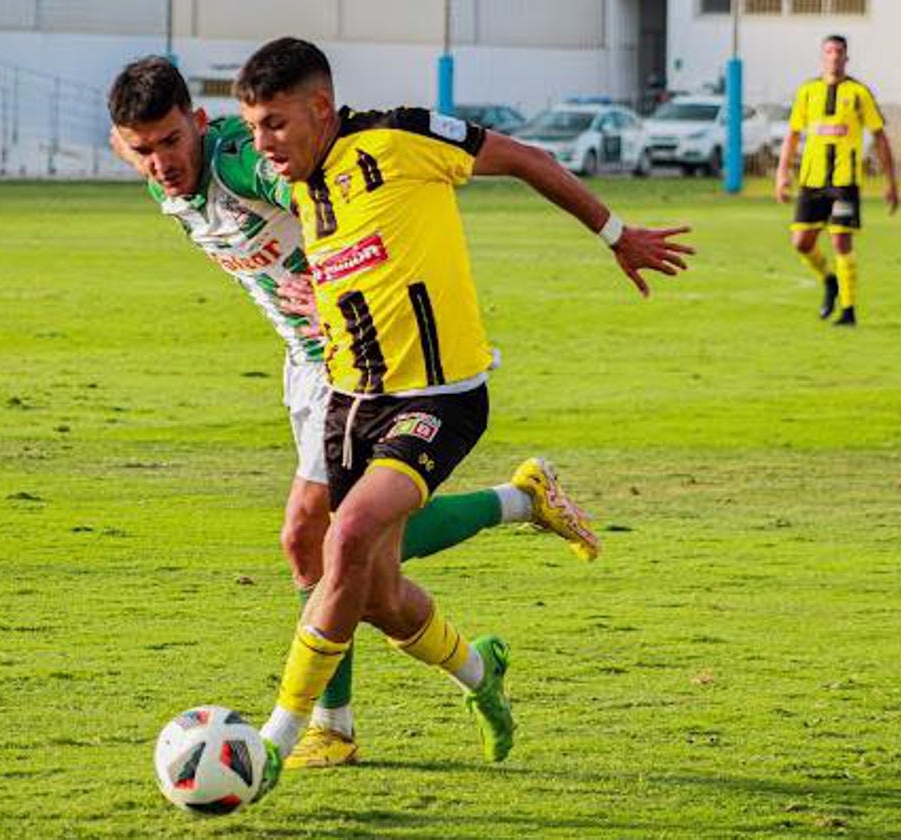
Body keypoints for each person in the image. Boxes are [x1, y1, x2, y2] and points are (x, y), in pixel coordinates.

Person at [105, 57, 600, 771]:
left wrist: (332, 270)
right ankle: (495, 602)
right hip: (305, 367)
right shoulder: (164, 181)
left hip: (350, 364)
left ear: (200, 124)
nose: (160, 162)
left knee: (315, 537)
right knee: (375, 585)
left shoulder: (239, 163)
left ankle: (327, 727)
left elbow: (306, 182)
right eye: (143, 149)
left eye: (171, 141)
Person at [233, 37, 693, 801]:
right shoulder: (304, 192)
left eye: (275, 124)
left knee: (339, 539)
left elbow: (527, 159)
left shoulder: (399, 139)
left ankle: (278, 738)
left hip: (441, 398)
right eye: (253, 128)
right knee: (375, 595)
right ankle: (483, 666)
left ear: (320, 108)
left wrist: (617, 236)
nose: (263, 145)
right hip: (351, 402)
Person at [775, 35, 899, 327]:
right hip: (811, 181)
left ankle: (849, 309)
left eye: (839, 51)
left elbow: (880, 136)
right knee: (801, 242)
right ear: (822, 57)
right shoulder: (807, 91)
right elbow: (793, 135)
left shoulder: (859, 93)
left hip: (844, 183)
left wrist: (891, 182)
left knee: (840, 240)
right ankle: (829, 281)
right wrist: (782, 174)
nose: (834, 56)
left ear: (847, 57)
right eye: (829, 51)